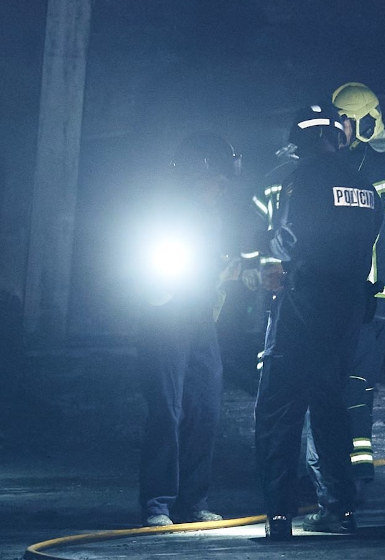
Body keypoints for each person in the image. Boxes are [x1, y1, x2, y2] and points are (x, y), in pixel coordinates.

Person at [254, 107, 383, 540]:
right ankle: (341, 510)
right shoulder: (365, 186)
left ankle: (278, 516)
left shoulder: (303, 179)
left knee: (280, 409)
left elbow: (287, 239)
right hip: (346, 310)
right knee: (331, 408)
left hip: (302, 305)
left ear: (303, 142)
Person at [299, 82, 385, 532]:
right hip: (347, 301)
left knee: (354, 392)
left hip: (372, 301)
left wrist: (384, 298)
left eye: (342, 119)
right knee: (342, 390)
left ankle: (354, 483)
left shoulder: (383, 171)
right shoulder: (344, 167)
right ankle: (349, 479)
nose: (337, 127)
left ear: (363, 122)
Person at [137, 133, 242, 527]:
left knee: (206, 405)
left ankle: (193, 502)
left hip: (199, 319)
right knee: (168, 408)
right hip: (164, 318)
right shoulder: (162, 212)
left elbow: (214, 264)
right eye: (216, 180)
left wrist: (226, 275)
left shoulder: (213, 215)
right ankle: (158, 504)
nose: (220, 187)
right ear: (195, 175)